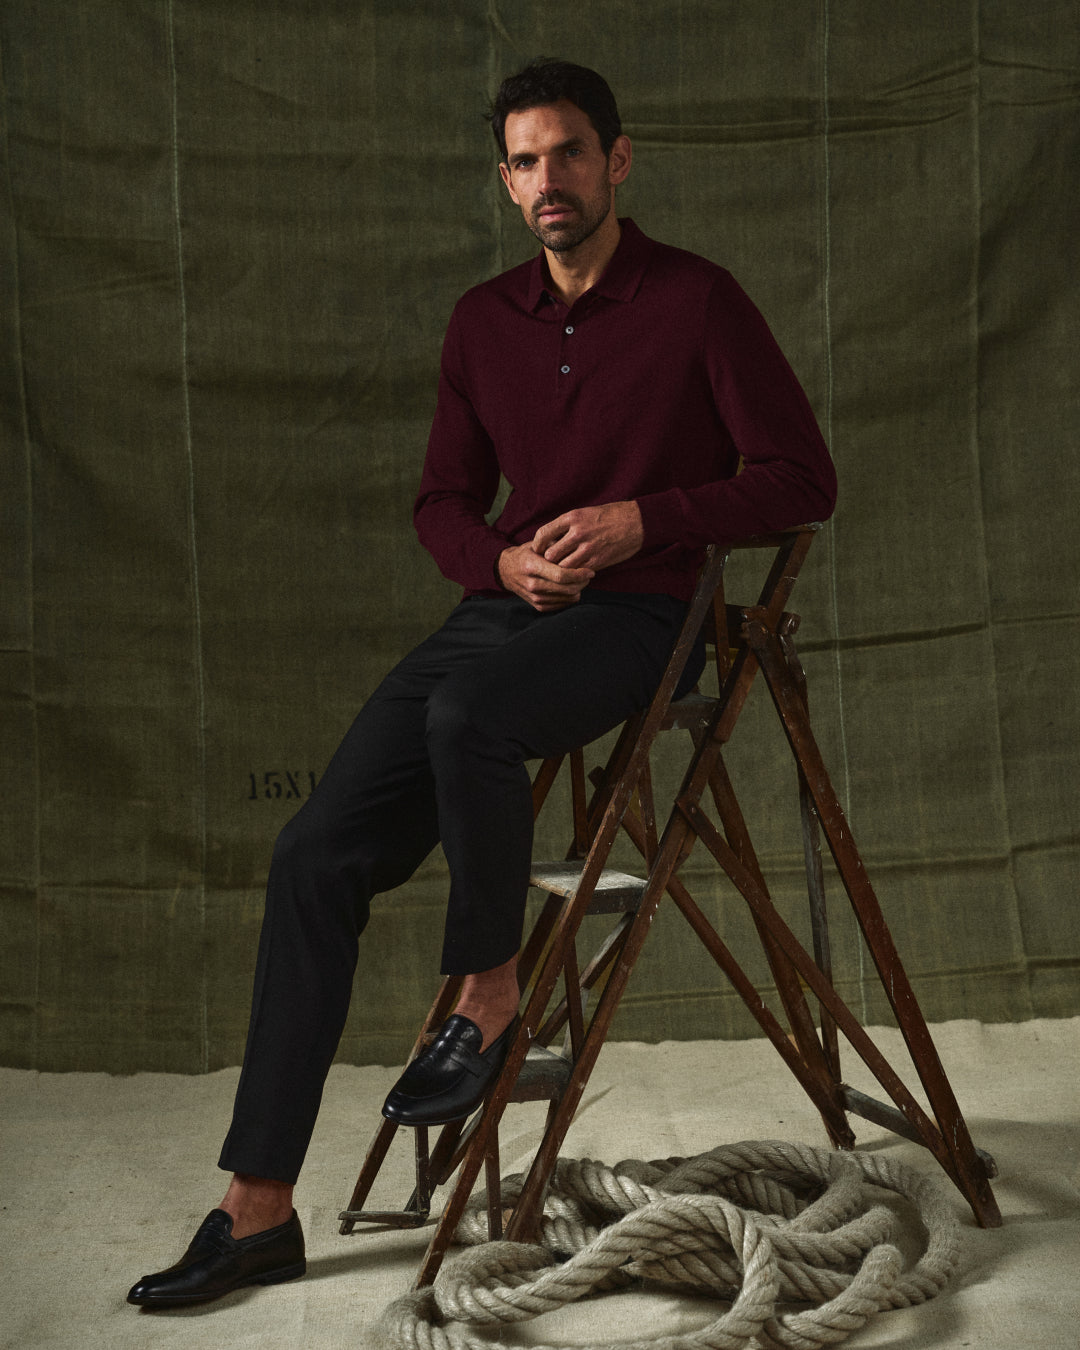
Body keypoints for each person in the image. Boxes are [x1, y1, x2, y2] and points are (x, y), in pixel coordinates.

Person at [127, 58, 836, 1309]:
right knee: (312, 855)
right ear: (505, 181)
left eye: (568, 153)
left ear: (617, 160)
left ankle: (490, 992)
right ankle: (257, 1210)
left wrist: (641, 519)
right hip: (503, 612)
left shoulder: (697, 300)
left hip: (645, 614)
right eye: (523, 161)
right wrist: (500, 561)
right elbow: (442, 503)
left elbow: (801, 478)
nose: (547, 178)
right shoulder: (481, 321)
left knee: (470, 718)